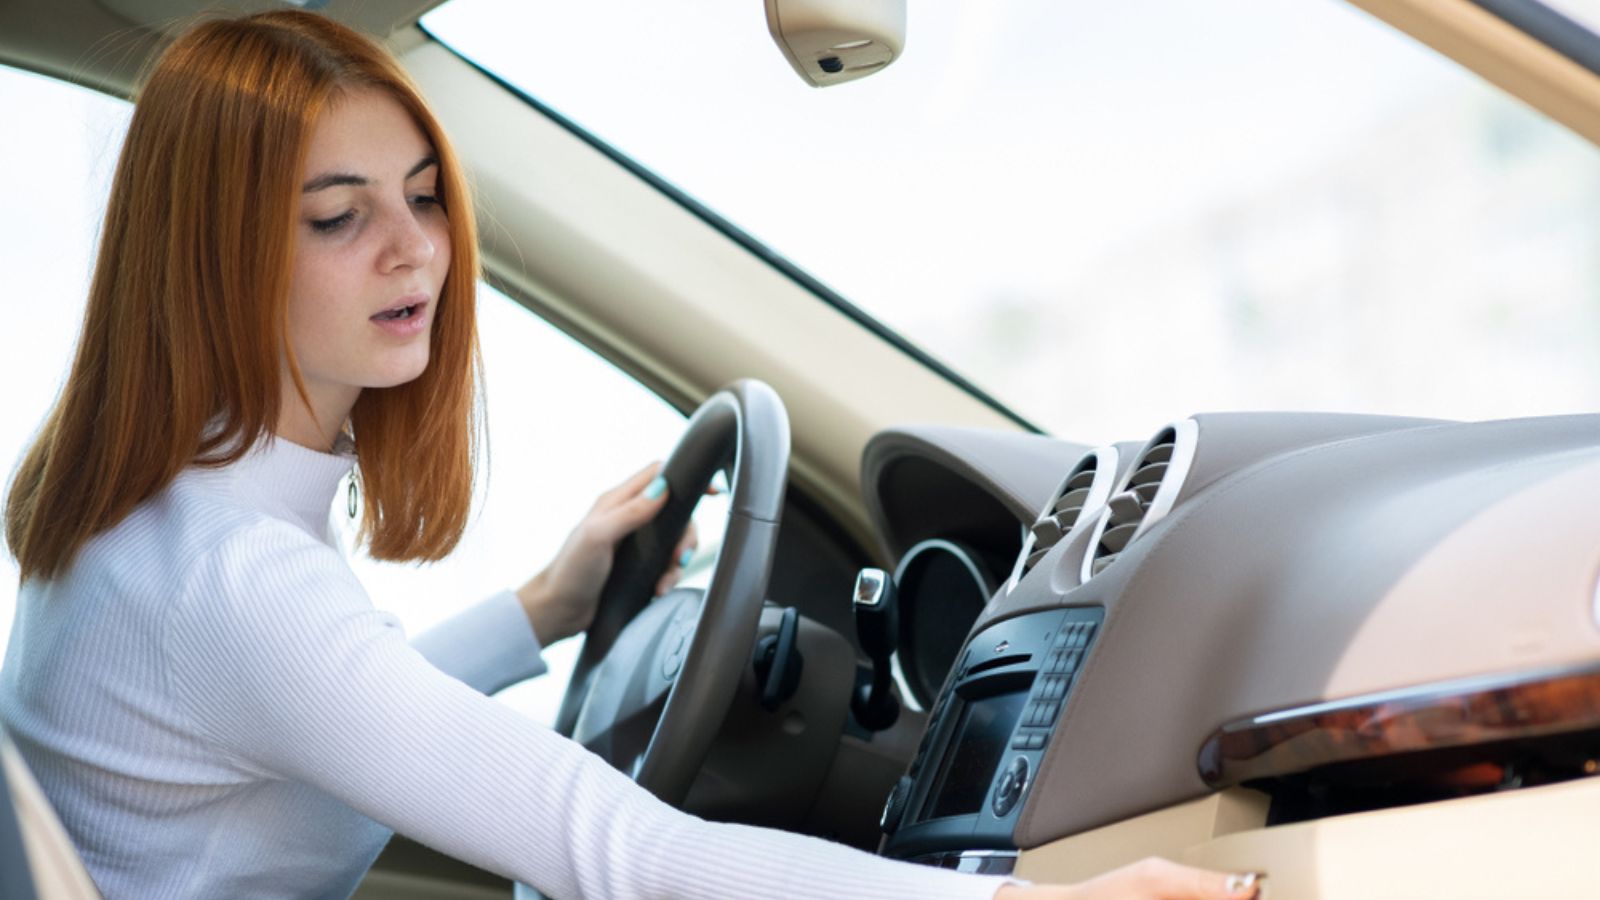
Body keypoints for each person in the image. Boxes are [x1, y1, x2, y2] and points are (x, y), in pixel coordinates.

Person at [0, 11, 1260, 900]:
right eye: (340, 215)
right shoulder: (231, 583)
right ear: (211, 254)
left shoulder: (161, 516)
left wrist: (545, 609)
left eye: (426, 193)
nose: (416, 249)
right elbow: (612, 851)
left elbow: (329, 706)